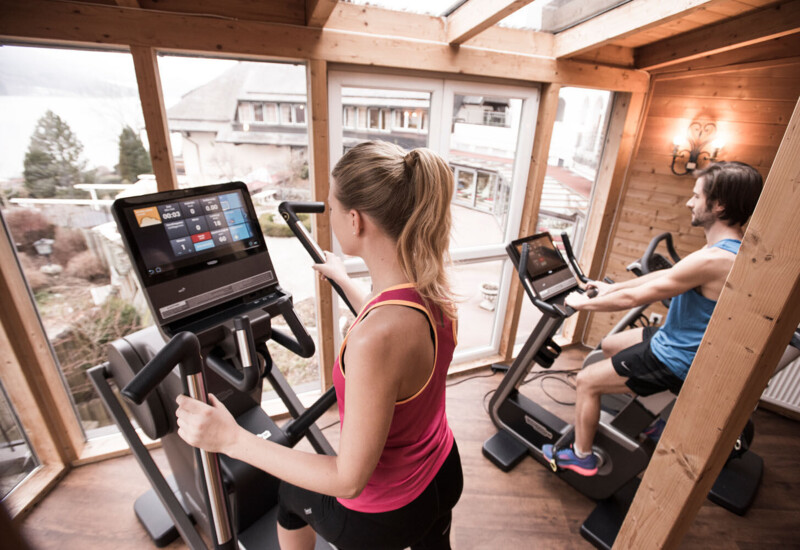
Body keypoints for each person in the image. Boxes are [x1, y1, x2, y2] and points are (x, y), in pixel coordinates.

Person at [175, 140, 463, 549]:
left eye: (330, 209)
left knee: (290, 497)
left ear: (355, 221)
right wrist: (344, 279)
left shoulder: (375, 339)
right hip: (442, 473)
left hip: (385, 514)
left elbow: (347, 480)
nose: (328, 217)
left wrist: (232, 439)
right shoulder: (434, 294)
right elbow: (397, 330)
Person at [543, 161, 763, 476]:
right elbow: (662, 279)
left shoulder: (714, 259)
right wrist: (610, 288)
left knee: (586, 381)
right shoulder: (727, 248)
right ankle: (652, 414)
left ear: (719, 205)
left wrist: (582, 304)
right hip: (673, 338)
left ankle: (582, 457)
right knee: (610, 345)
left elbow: (638, 298)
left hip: (676, 357)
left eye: (696, 196)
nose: (689, 202)